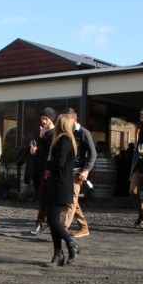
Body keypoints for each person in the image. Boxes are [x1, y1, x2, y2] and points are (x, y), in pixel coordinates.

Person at [41, 113, 80, 266]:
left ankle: (71, 244)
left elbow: (59, 162)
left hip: (60, 185)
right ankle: (58, 254)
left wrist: (48, 163)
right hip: (57, 183)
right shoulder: (63, 139)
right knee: (52, 219)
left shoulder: (64, 140)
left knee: (52, 219)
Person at [61, 108, 96, 238]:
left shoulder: (84, 133)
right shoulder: (67, 132)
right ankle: (84, 227)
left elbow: (93, 153)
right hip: (68, 171)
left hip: (79, 172)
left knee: (71, 199)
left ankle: (63, 229)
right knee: (72, 201)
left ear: (74, 120)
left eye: (66, 120)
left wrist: (86, 170)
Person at [29, 107, 57, 234]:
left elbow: (52, 149)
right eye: (42, 118)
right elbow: (35, 145)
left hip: (49, 169)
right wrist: (32, 150)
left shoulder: (55, 132)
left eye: (46, 118)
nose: (43, 121)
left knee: (44, 196)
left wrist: (43, 137)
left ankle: (41, 222)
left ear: (51, 119)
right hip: (38, 167)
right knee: (41, 196)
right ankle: (47, 221)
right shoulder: (40, 132)